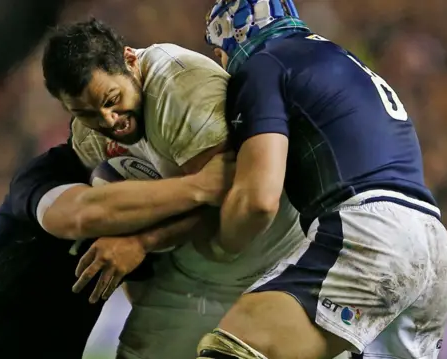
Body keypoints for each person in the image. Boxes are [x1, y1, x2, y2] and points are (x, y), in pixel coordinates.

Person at [196, 1, 447, 359]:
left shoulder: (265, 62)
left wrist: (209, 253)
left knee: (234, 344)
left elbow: (258, 200)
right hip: (434, 248)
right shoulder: (335, 56)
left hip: (369, 233)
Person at [40, 18, 306, 359]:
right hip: (201, 268)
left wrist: (142, 241)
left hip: (277, 252)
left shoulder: (179, 85)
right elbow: (127, 238)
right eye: (86, 113)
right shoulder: (87, 138)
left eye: (112, 99)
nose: (108, 121)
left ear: (131, 61)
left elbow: (225, 199)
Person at [0, 136, 231, 359]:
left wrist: (145, 242)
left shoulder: (144, 213)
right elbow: (80, 217)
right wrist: (200, 187)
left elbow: (150, 304)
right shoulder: (47, 172)